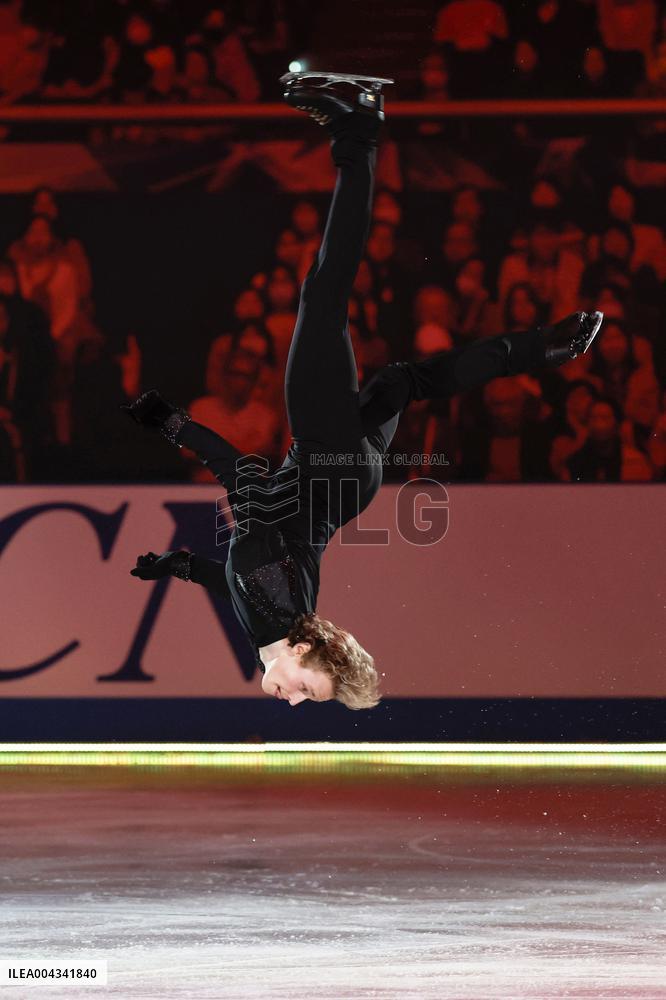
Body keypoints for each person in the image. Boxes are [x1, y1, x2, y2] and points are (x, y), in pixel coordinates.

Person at [121, 71, 604, 710]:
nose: (292, 700)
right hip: (328, 459)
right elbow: (241, 475)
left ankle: (543, 348)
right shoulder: (275, 611)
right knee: (323, 293)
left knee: (402, 380)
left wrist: (178, 568)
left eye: (306, 697)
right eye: (309, 691)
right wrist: (170, 424)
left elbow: (233, 581)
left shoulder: (276, 627)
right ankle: (358, 129)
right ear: (301, 653)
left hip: (351, 485)